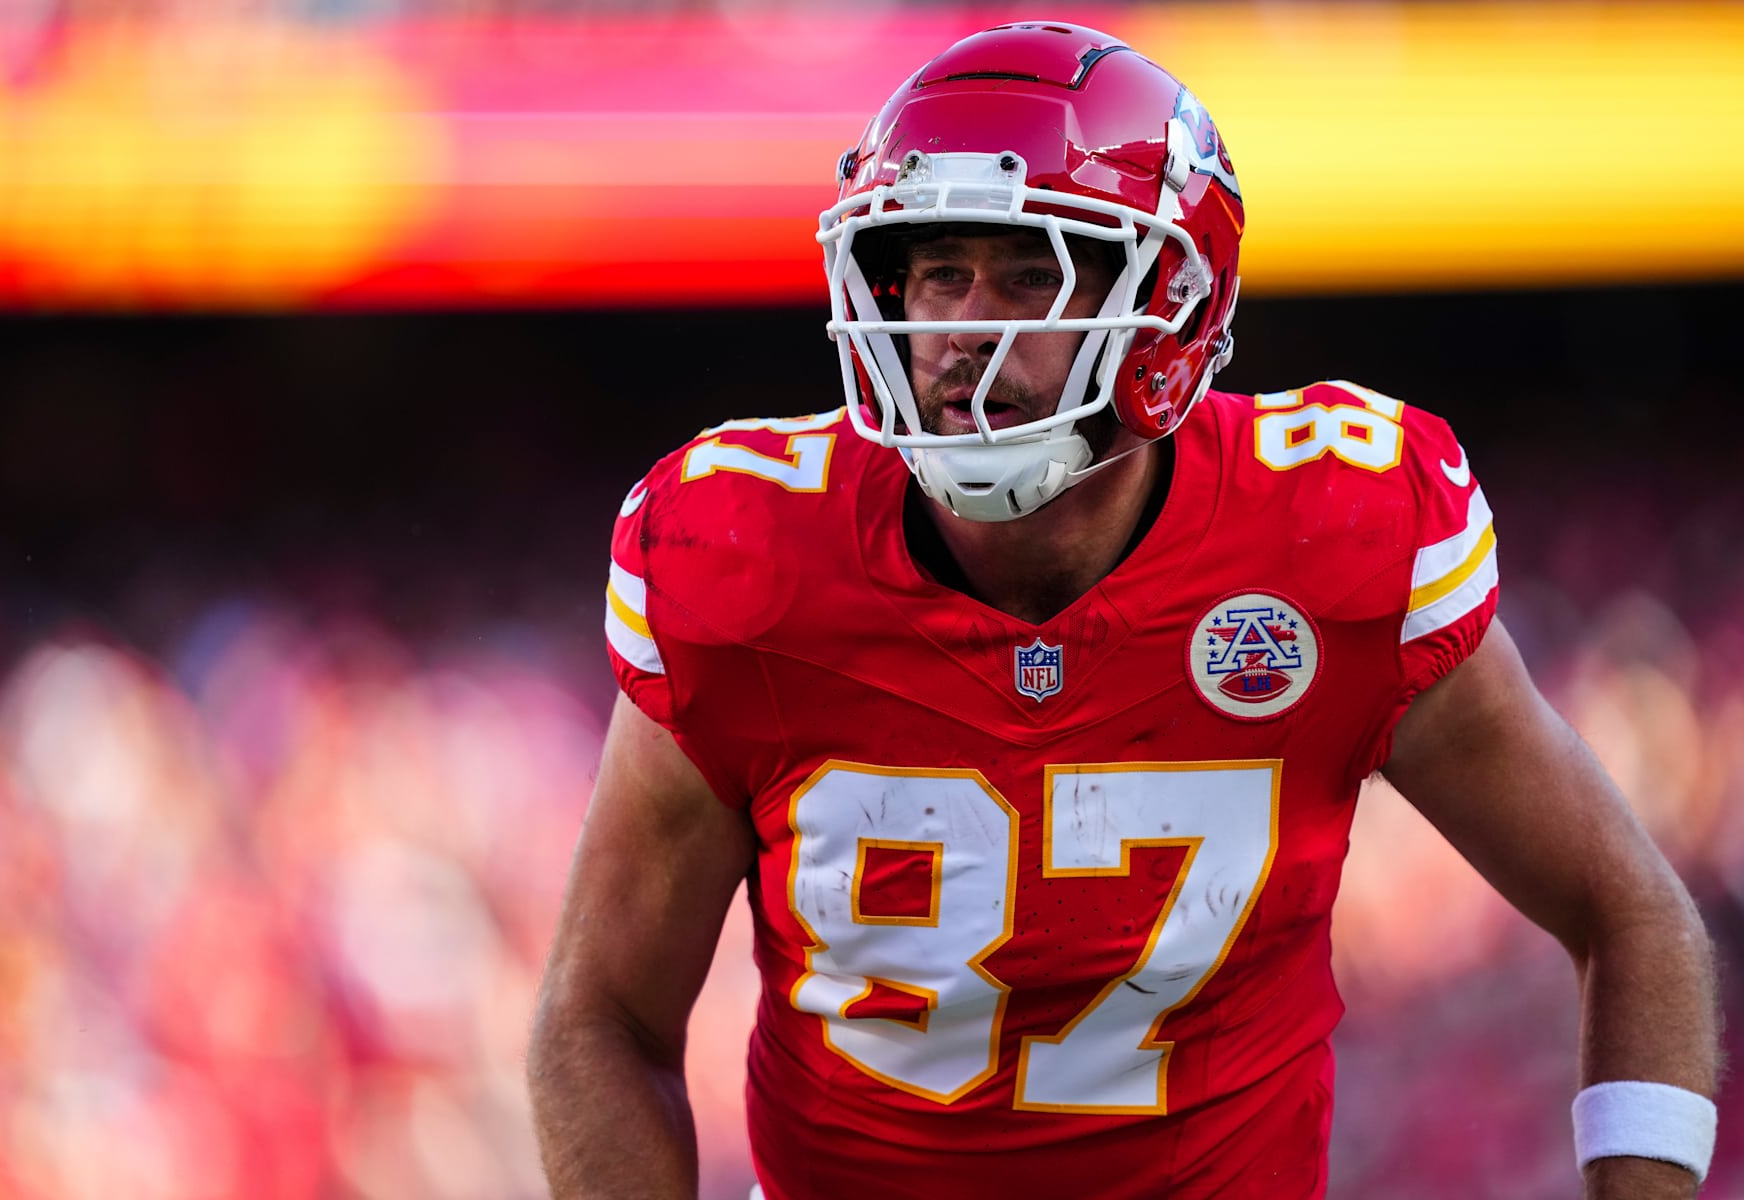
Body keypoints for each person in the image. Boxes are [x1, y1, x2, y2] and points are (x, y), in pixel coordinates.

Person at [528, 21, 1718, 1199]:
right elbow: (602, 1014)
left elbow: (1629, 915)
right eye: (940, 271)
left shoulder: (1333, 535)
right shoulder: (744, 559)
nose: (963, 331)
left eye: (1032, 272)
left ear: (1171, 301)